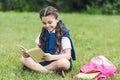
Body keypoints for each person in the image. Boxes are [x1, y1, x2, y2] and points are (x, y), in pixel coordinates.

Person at [20, 6, 76, 77]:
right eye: (44, 23)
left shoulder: (64, 35)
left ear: (57, 19)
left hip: (56, 61)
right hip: (44, 61)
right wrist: (28, 54)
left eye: (50, 22)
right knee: (23, 59)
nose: (47, 25)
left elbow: (68, 56)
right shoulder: (43, 33)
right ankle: (49, 72)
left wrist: (52, 57)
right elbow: (37, 49)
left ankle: (38, 69)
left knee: (64, 63)